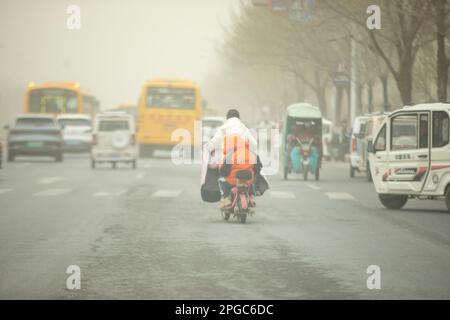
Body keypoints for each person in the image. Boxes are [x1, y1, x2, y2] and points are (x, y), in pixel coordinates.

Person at [206, 109, 258, 208]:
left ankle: (226, 198)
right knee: (252, 176)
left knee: (222, 177)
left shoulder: (224, 128)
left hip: (229, 162)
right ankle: (251, 195)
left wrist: (208, 148)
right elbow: (254, 144)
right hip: (246, 161)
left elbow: (215, 141)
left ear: (227, 118)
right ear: (239, 118)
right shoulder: (244, 128)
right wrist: (249, 151)